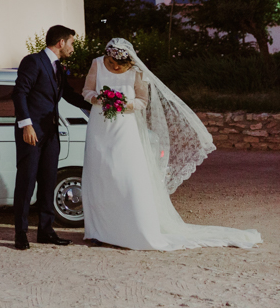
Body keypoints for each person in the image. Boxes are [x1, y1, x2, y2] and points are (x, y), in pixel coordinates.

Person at [81, 38, 262, 251]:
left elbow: (142, 101)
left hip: (125, 127)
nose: (116, 66)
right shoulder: (97, 63)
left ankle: (130, 228)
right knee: (99, 174)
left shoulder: (137, 71)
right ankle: (98, 231)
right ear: (108, 56)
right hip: (100, 127)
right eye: (112, 62)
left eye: (120, 63)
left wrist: (122, 103)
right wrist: (101, 99)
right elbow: (86, 92)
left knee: (126, 174)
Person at [13, 25, 91, 250]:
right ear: (61, 43)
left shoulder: (59, 67)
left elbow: (68, 95)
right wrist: (26, 125)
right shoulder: (33, 61)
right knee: (26, 182)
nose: (73, 48)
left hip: (51, 133)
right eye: (72, 43)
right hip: (32, 133)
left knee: (48, 181)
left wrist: (97, 106)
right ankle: (20, 233)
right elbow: (20, 93)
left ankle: (46, 231)